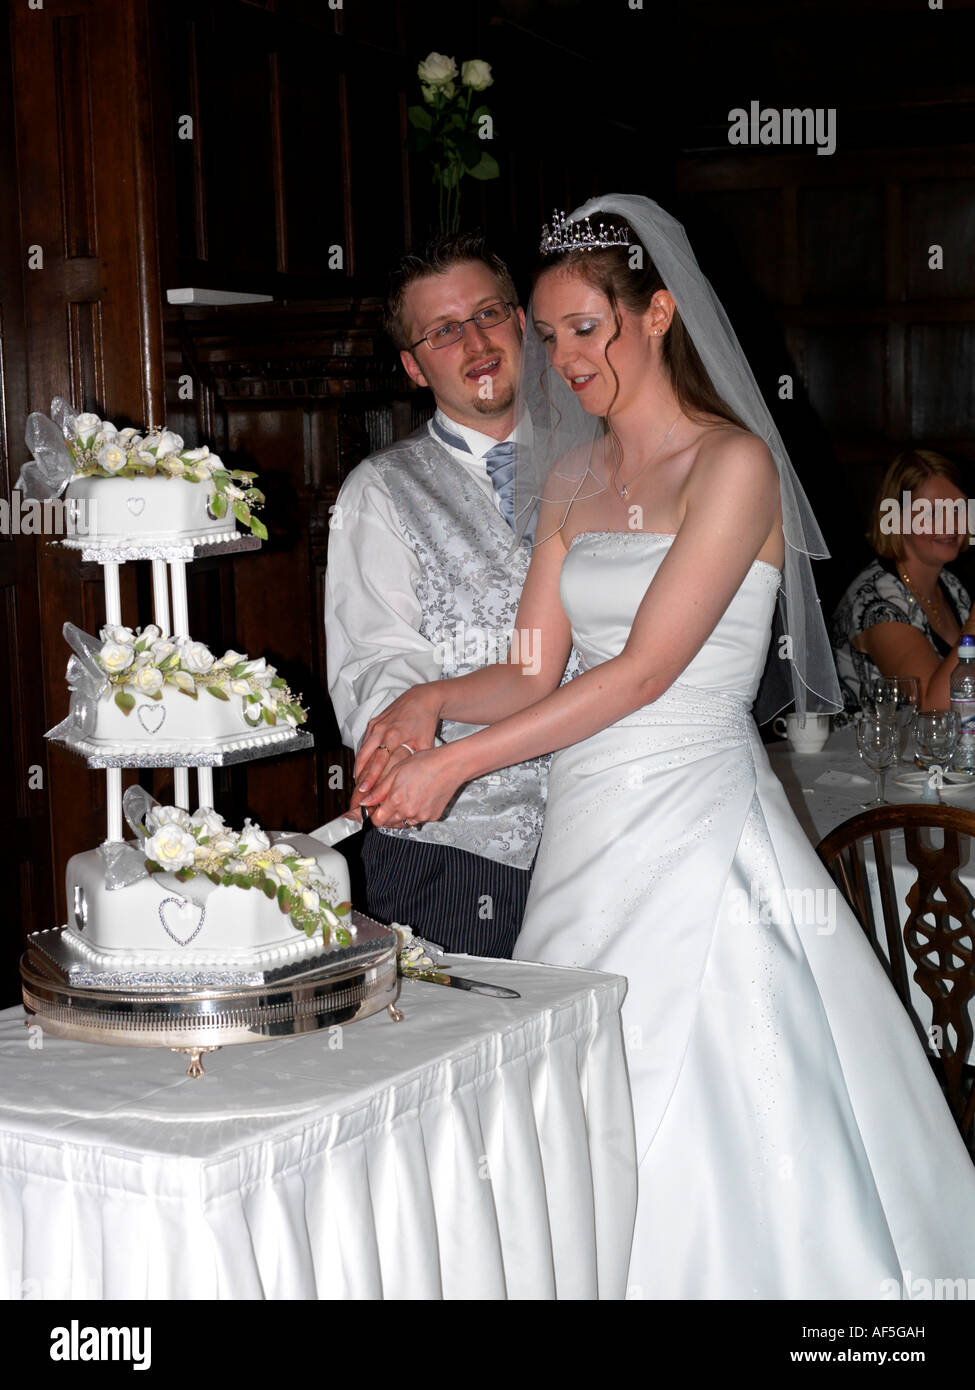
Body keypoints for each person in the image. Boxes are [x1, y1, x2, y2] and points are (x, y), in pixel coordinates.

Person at [352, 194, 975, 1298]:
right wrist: (431, 704)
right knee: (575, 1093)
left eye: (585, 328)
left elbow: (641, 673)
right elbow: (537, 667)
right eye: (547, 337)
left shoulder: (732, 468)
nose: (562, 359)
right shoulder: (571, 481)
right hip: (585, 830)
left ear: (657, 313)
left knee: (723, 1095)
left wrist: (455, 765)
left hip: (697, 816)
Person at [325, 231, 558, 957]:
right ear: (413, 365)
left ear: (522, 324)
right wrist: (402, 743)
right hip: (460, 851)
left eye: (488, 315)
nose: (476, 343)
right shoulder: (380, 491)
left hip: (613, 830)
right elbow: (375, 658)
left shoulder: (610, 466)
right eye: (443, 331)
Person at [831, 450, 973, 711]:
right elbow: (931, 705)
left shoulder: (951, 586)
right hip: (866, 750)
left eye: (958, 509)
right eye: (931, 515)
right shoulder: (874, 600)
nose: (951, 524)